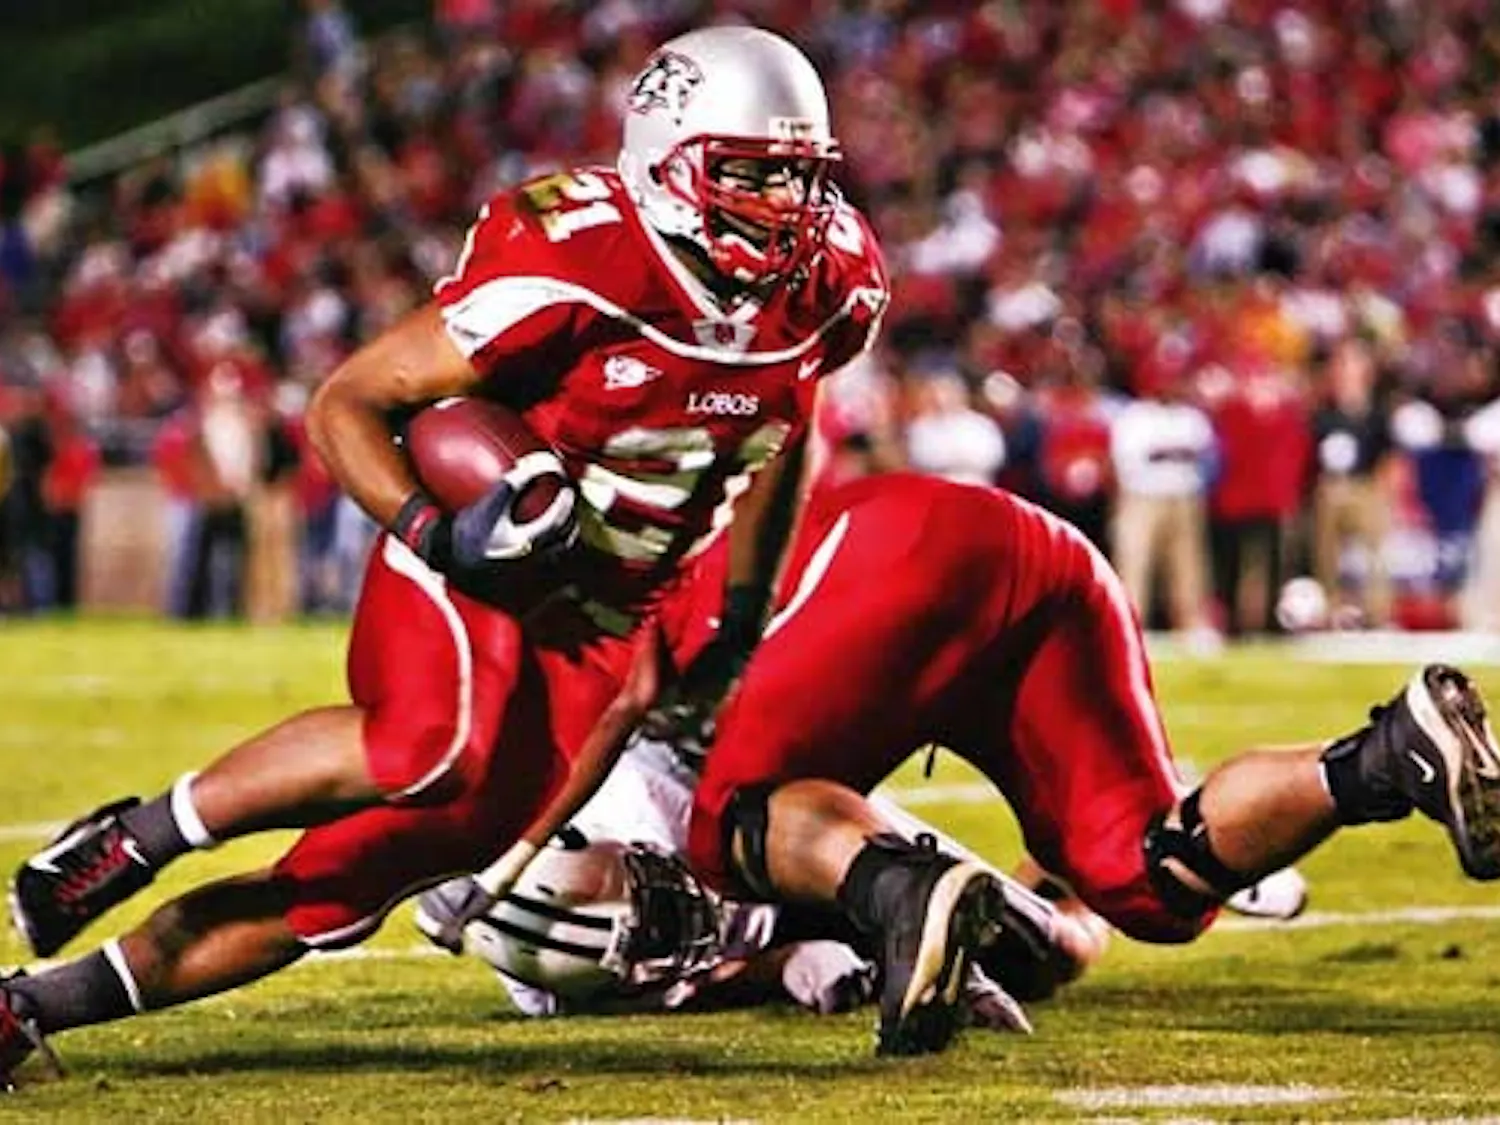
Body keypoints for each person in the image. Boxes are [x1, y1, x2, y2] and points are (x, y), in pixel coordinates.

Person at [0, 26, 914, 1087]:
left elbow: (784, 433)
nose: (786, 207)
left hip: (606, 614)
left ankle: (29, 1007)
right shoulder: (579, 256)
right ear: (669, 159)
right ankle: (141, 836)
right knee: (432, 746)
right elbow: (349, 403)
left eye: (802, 178)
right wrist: (440, 533)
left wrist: (741, 611)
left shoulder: (834, 285)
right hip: (492, 547)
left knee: (351, 880)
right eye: (754, 175)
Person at [646, 471, 1500, 1055]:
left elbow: (637, 777)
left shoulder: (609, 724)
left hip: (893, 563)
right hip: (1040, 552)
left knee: (725, 830)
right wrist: (1036, 886)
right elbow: (1050, 933)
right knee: (1151, 880)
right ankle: (1386, 757)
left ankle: (901, 886)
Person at [414, 730, 1113, 1029]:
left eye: (655, 907)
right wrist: (779, 968)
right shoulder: (547, 970)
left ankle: (1090, 824)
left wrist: (888, 900)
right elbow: (680, 987)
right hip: (762, 904)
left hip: (784, 848)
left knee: (1051, 955)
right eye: (651, 944)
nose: (686, 932)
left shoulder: (656, 785)